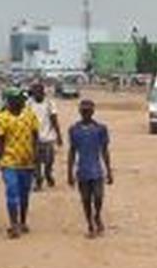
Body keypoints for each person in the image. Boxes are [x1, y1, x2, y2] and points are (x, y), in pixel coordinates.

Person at [0, 88, 40, 239]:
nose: (19, 101)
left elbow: (35, 138)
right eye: (15, 99)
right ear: (9, 100)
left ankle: (23, 221)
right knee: (12, 193)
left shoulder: (30, 115)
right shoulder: (2, 118)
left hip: (27, 162)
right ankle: (14, 225)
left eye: (20, 99)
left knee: (24, 195)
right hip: (9, 162)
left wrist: (36, 160)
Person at [68, 100, 113, 238]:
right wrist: (69, 172)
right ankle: (90, 224)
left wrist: (109, 171)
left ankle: (97, 216)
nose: (86, 113)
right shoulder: (74, 130)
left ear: (93, 111)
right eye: (83, 110)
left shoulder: (100, 129)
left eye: (88, 110)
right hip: (82, 171)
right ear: (80, 112)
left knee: (98, 197)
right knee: (86, 199)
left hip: (97, 171)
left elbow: (105, 151)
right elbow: (72, 151)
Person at [27, 83, 63, 191]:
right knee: (35, 161)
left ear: (43, 92)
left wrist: (59, 136)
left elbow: (54, 119)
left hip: (48, 138)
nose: (36, 94)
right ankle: (38, 181)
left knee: (49, 161)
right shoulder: (28, 103)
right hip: (33, 138)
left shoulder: (49, 103)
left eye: (38, 92)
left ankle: (48, 174)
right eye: (34, 92)